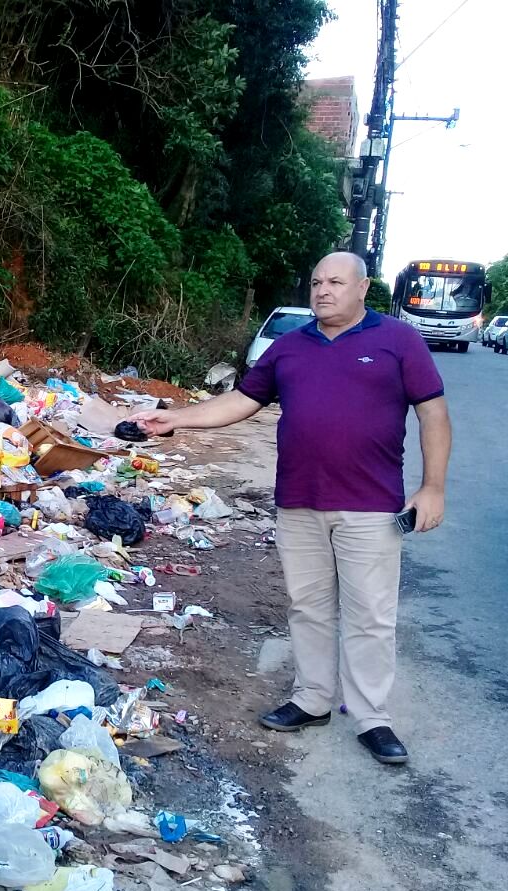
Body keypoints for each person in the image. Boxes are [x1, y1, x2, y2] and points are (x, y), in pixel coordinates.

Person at [131, 252, 451, 765]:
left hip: (370, 504)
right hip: (299, 500)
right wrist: (176, 418)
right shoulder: (289, 347)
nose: (323, 290)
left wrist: (432, 487)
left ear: (363, 288)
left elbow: (432, 412)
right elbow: (241, 400)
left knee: (370, 614)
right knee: (308, 606)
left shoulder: (398, 340)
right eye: (317, 282)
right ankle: (312, 699)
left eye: (336, 282)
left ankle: (372, 717)